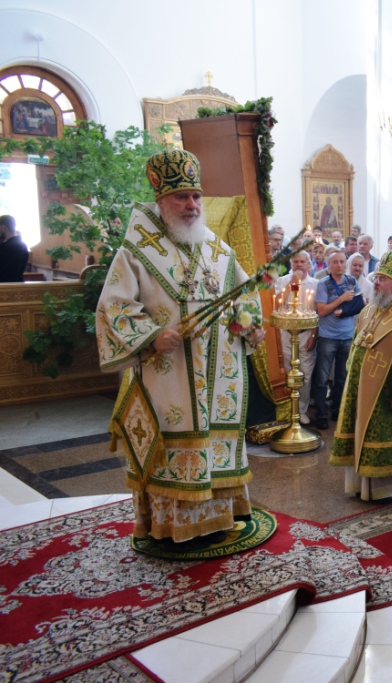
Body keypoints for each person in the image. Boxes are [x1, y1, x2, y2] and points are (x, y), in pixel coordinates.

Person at [96, 150, 265, 545]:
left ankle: (220, 517)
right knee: (176, 442)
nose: (191, 205)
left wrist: (248, 324)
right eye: (181, 197)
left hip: (220, 376)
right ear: (161, 201)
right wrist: (152, 336)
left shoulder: (218, 250)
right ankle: (172, 526)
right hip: (168, 375)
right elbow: (112, 307)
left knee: (215, 441)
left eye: (196, 196)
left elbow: (244, 297)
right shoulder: (136, 251)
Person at [329, 251, 392, 501]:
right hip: (361, 387)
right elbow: (356, 343)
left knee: (384, 434)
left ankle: (386, 488)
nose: (376, 283)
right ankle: (360, 485)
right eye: (376, 278)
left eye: (382, 279)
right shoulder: (369, 309)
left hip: (387, 393)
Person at [313, 250, 366, 429]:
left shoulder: (351, 281)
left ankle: (337, 411)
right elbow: (322, 311)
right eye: (335, 262)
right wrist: (341, 299)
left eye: (342, 262)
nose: (339, 265)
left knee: (342, 378)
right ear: (329, 265)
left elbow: (360, 304)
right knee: (322, 378)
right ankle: (321, 414)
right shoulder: (323, 283)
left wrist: (344, 311)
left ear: (346, 264)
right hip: (327, 337)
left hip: (347, 336)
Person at [276, 250, 320, 425]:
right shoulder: (282, 281)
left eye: (302, 261)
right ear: (291, 264)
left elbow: (317, 312)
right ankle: (289, 409)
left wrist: (314, 335)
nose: (299, 265)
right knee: (288, 373)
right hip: (285, 333)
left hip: (306, 334)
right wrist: (292, 283)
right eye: (296, 262)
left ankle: (301, 410)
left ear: (309, 264)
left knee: (305, 375)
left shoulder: (315, 284)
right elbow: (276, 304)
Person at [0, 214, 29, 283]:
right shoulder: (23, 245)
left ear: (4, 228)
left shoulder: (6, 247)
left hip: (4, 285)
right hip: (18, 284)